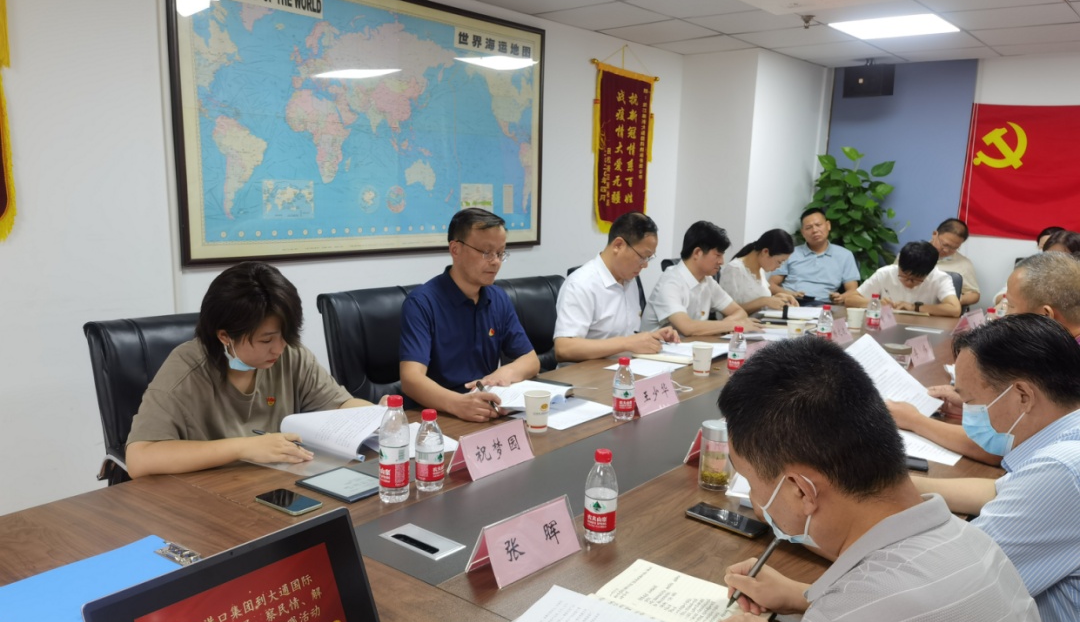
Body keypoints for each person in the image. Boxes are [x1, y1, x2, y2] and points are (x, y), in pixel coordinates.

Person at [681, 335, 1063, 622]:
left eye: (750, 481)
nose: (757, 501)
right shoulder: (971, 542)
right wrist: (805, 597)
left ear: (800, 491)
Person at [901, 315, 1080, 622]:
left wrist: (803, 593)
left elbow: (947, 583)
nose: (967, 412)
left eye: (970, 401)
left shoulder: (1062, 471)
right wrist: (889, 486)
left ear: (1022, 395)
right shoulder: (1068, 438)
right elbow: (996, 491)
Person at [126, 262, 372, 477]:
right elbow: (139, 458)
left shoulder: (290, 354)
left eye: (285, 335)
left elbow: (340, 405)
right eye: (266, 340)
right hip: (209, 495)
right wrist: (244, 448)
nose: (279, 348)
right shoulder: (185, 372)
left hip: (275, 483)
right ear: (225, 336)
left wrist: (381, 417)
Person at [891, 252, 1080, 450]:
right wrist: (976, 403)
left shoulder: (1062, 363)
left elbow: (1004, 444)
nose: (1003, 316)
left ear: (1045, 316)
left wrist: (914, 420)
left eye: (1010, 306)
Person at [400, 208, 540, 422]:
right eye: (486, 252)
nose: (495, 261)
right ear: (455, 249)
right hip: (439, 415)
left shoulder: (497, 298)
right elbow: (411, 379)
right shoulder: (422, 303)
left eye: (500, 253)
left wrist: (504, 374)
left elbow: (531, 361)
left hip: (484, 410)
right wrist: (458, 403)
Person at [553, 212, 679, 362]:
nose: (645, 265)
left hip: (623, 368)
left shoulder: (629, 280)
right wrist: (627, 343)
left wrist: (651, 338)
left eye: (649, 258)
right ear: (618, 245)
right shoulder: (581, 284)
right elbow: (564, 348)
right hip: (586, 373)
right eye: (643, 257)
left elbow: (626, 337)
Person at [641, 221, 760, 335]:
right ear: (697, 253)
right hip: (657, 348)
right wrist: (732, 325)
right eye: (718, 255)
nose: (722, 262)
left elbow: (740, 312)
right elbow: (687, 327)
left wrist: (726, 324)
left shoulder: (708, 281)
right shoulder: (670, 282)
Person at [842, 240, 961, 317]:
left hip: (924, 329)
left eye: (916, 279)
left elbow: (955, 309)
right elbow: (850, 300)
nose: (908, 283)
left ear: (929, 272)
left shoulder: (940, 278)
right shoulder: (885, 273)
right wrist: (876, 303)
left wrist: (914, 307)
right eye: (904, 276)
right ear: (899, 264)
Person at [767, 208, 859, 305]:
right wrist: (790, 294)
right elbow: (771, 285)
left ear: (828, 225)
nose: (814, 230)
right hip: (791, 302)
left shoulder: (845, 255)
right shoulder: (790, 254)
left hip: (823, 305)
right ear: (803, 232)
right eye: (808, 227)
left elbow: (853, 290)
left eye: (818, 225)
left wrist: (841, 297)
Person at [718, 228, 799, 313]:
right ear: (765, 252)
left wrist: (776, 298)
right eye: (779, 262)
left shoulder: (760, 269)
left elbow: (759, 302)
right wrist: (764, 301)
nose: (779, 266)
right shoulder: (734, 269)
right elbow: (728, 311)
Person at [930, 217, 980, 306]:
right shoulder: (913, 253)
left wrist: (954, 300)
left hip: (942, 311)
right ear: (935, 234)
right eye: (945, 244)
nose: (946, 250)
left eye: (954, 248)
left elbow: (974, 294)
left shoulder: (964, 264)